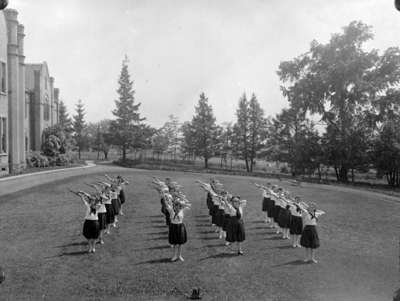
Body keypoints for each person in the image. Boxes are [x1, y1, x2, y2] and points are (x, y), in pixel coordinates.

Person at [166, 197, 189, 262]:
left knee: (180, 242)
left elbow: (187, 204)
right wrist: (165, 198)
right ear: (174, 206)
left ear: (180, 207)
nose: (177, 208)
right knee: (175, 243)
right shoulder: (171, 211)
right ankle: (174, 255)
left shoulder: (182, 210)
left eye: (179, 206)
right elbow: (166, 204)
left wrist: (181, 198)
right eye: (176, 206)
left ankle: (179, 255)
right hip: (173, 227)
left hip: (180, 227)